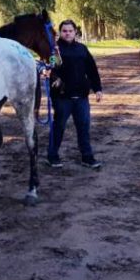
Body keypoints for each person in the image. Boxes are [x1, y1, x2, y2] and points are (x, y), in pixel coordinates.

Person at [47, 19, 103, 169]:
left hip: (81, 97)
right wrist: (54, 77)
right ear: (60, 32)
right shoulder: (55, 50)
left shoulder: (82, 49)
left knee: (84, 127)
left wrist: (98, 89)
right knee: (59, 127)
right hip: (62, 97)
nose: (67, 33)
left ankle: (87, 157)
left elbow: (92, 70)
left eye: (70, 31)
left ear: (75, 32)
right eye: (64, 31)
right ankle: (52, 156)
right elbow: (51, 69)